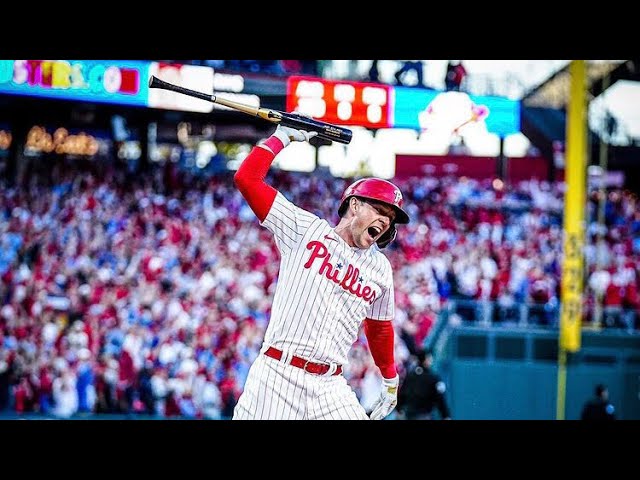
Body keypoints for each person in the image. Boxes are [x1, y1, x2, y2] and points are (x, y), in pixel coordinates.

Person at [232, 123, 410, 420]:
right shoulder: (305, 230)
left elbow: (379, 327)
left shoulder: (379, 268)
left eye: (390, 219)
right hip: (277, 375)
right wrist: (281, 138)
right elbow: (247, 179)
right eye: (380, 211)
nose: (385, 221)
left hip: (330, 386)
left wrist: (390, 377)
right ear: (354, 205)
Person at [397, 348, 451, 420]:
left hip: (408, 414)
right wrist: (446, 415)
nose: (431, 360)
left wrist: (398, 408)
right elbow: (440, 399)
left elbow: (402, 394)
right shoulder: (432, 378)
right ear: (425, 360)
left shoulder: (410, 375)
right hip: (423, 416)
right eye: (429, 358)